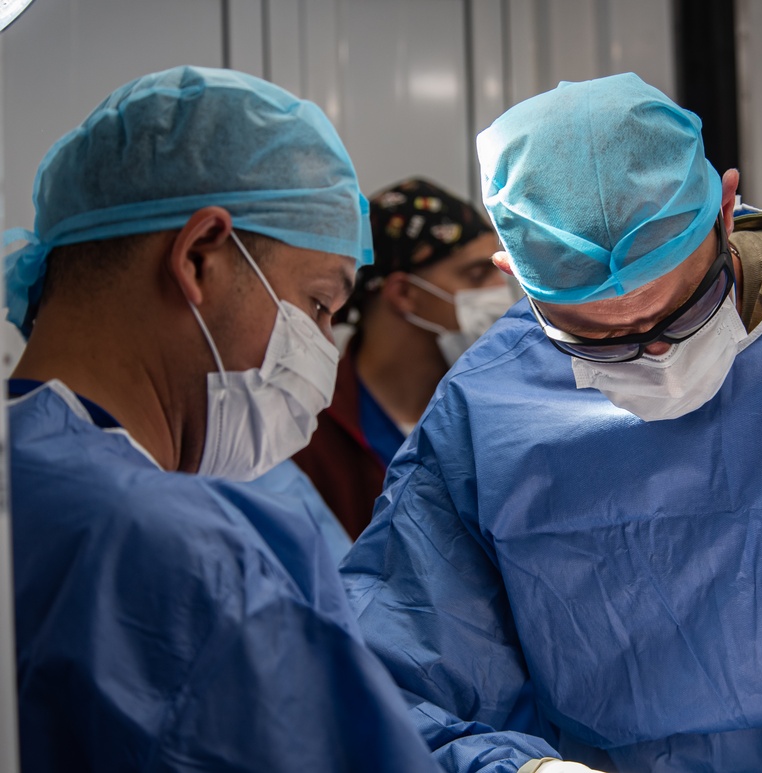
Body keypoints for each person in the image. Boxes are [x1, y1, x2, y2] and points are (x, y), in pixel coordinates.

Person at [340, 72, 762, 772]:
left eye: (684, 312)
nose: (654, 353)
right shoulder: (486, 403)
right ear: (516, 276)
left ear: (725, 208)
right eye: (598, 340)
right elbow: (390, 678)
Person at [5, 65, 444, 772]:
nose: (323, 352)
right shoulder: (174, 550)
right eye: (320, 306)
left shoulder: (32, 476)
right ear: (200, 256)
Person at [294, 177, 513, 539]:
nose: (499, 295)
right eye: (476, 275)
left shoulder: (496, 409)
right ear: (404, 294)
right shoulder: (307, 428)